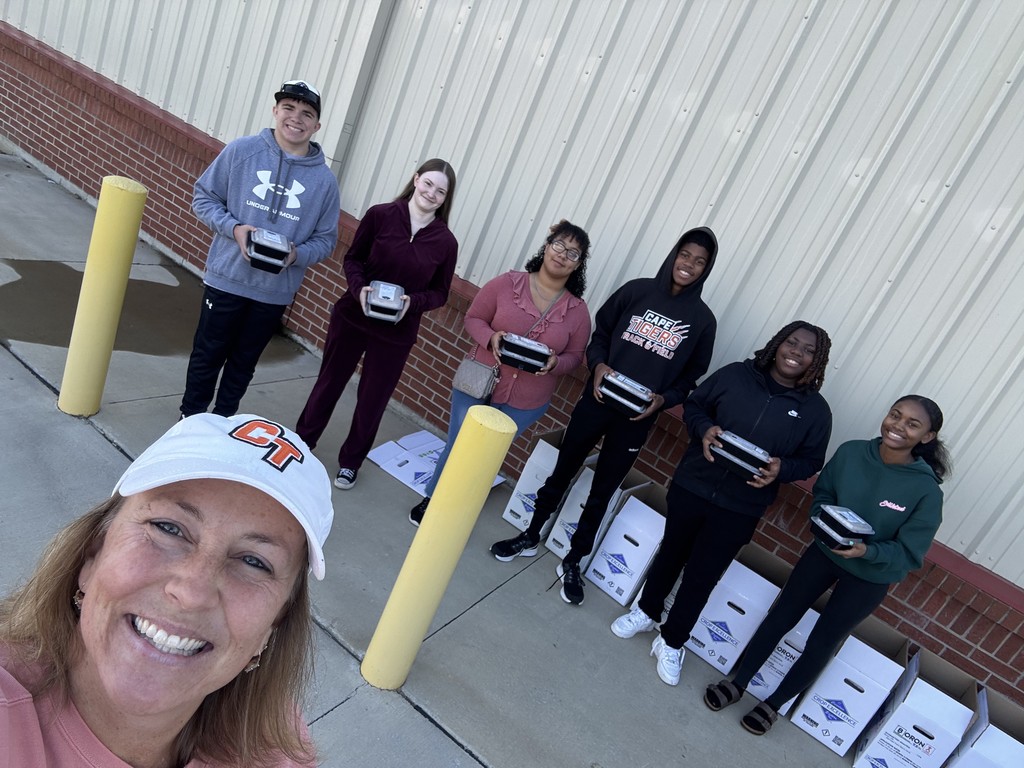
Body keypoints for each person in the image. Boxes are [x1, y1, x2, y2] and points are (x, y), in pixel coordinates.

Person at [0, 413, 335, 766]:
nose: (191, 592)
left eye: (254, 562)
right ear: (93, 554)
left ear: (274, 624)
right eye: (168, 528)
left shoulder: (275, 749)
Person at [489, 227, 720, 606]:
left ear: (705, 269)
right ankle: (531, 533)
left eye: (699, 261)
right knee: (563, 469)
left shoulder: (702, 320)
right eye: (685, 254)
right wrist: (597, 367)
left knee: (602, 491)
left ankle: (574, 559)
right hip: (597, 402)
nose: (689, 265)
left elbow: (690, 378)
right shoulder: (637, 291)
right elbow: (599, 336)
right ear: (674, 253)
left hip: (636, 419)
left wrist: (663, 399)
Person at [702, 395, 951, 736]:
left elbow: (910, 552)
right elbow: (823, 495)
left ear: (926, 437)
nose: (898, 426)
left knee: (822, 642)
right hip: (823, 554)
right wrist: (824, 522)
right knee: (780, 617)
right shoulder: (851, 452)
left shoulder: (925, 490)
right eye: (896, 415)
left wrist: (867, 551)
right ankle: (739, 682)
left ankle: (773, 705)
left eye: (912, 423)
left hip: (869, 575)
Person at [609, 321, 833, 686]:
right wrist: (704, 430)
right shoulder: (735, 375)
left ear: (816, 361)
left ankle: (672, 639)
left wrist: (781, 469)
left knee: (703, 575)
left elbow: (812, 461)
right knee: (671, 554)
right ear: (777, 344)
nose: (797, 352)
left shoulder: (815, 411)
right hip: (693, 484)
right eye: (792, 343)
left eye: (808, 350)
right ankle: (647, 611)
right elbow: (696, 406)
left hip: (741, 505)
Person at [408, 220, 593, 527]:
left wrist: (555, 364)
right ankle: (434, 498)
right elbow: (474, 318)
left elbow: (574, 356)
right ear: (547, 246)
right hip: (478, 382)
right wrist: (490, 338)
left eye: (573, 253)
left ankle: (460, 510)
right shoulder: (507, 284)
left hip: (526, 400)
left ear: (578, 265)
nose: (563, 255)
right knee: (459, 444)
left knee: (487, 457)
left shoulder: (577, 311)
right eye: (559, 245)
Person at [180, 79, 341, 419]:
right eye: (289, 108)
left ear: (317, 125)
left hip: (273, 293)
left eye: (306, 113)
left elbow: (326, 240)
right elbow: (203, 197)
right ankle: (190, 421)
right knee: (207, 355)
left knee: (243, 365)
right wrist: (235, 229)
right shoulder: (242, 151)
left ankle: (222, 425)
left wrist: (297, 255)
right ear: (275, 111)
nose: (296, 118)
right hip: (226, 279)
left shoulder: (324, 181)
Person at [295, 158, 459, 490]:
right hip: (353, 317)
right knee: (329, 383)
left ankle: (350, 462)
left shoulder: (446, 242)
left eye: (440, 191)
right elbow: (353, 258)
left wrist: (413, 303)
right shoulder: (381, 215)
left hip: (397, 331)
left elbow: (440, 292)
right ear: (415, 180)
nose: (431, 193)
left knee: (373, 399)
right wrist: (360, 290)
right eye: (428, 184)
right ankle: (301, 444)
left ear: (446, 198)